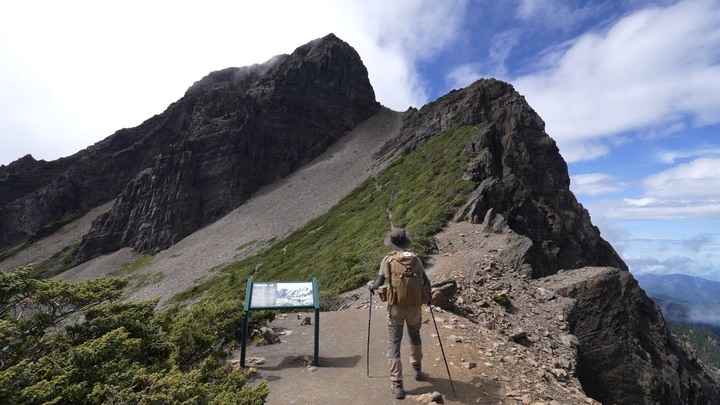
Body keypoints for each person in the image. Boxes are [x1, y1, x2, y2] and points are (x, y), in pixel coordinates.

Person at [368, 227, 431, 400]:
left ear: (393, 244)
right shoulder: (416, 260)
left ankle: (397, 384)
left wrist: (370, 286)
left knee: (394, 344)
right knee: (415, 336)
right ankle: (417, 368)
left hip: (395, 308)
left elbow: (378, 282)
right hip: (414, 308)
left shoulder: (387, 260)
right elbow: (427, 281)